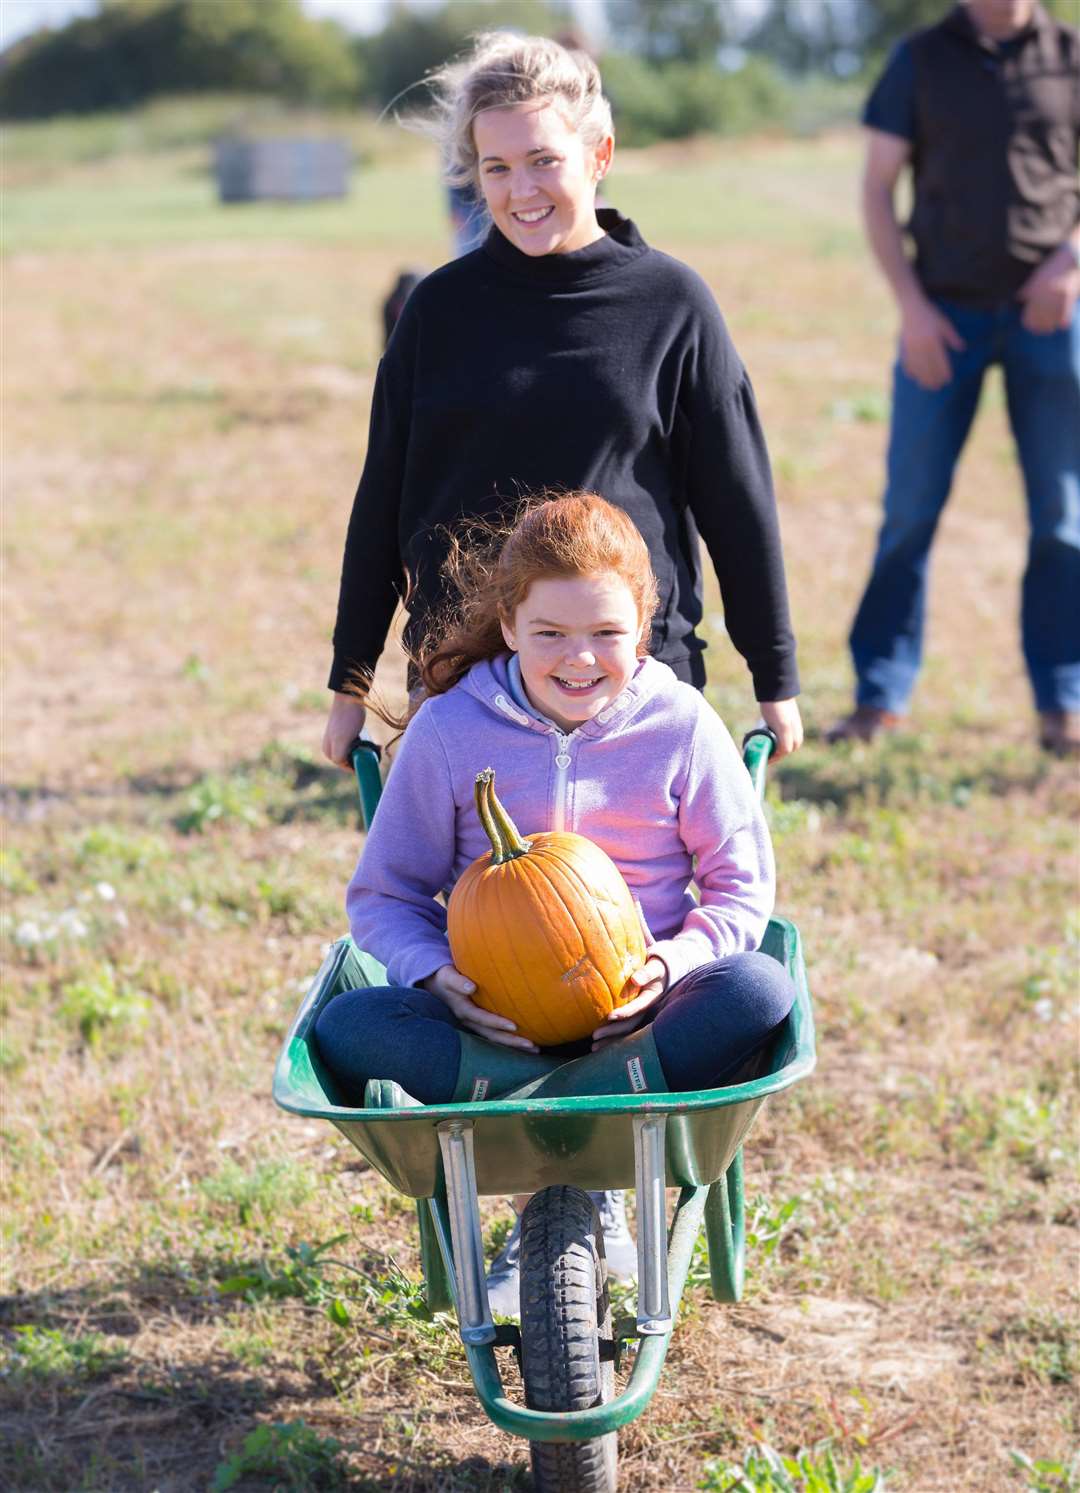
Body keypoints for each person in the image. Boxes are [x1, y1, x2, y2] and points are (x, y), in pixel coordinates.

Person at [315, 494, 796, 1313]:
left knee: (759, 988)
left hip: (645, 1011)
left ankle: (575, 1122)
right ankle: (562, 1128)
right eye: (550, 635)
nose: (580, 660)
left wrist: (670, 964)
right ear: (509, 626)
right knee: (344, 1027)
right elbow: (386, 894)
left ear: (643, 626)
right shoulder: (451, 732)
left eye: (607, 633)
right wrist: (437, 978)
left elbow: (739, 885)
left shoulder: (680, 724)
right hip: (490, 1022)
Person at [324, 29, 802, 772]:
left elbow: (737, 505)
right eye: (498, 167)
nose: (521, 191)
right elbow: (382, 502)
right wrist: (350, 681)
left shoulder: (671, 304)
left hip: (628, 678)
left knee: (629, 891)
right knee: (482, 894)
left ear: (599, 155)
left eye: (544, 160)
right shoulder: (436, 313)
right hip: (463, 688)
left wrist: (775, 678)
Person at [827, 0, 1080, 755]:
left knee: (1063, 519)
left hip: (1051, 317)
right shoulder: (919, 59)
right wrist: (911, 310)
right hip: (942, 320)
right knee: (909, 511)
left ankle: (1065, 703)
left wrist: (1068, 265)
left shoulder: (1070, 55)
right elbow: (877, 188)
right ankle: (879, 696)